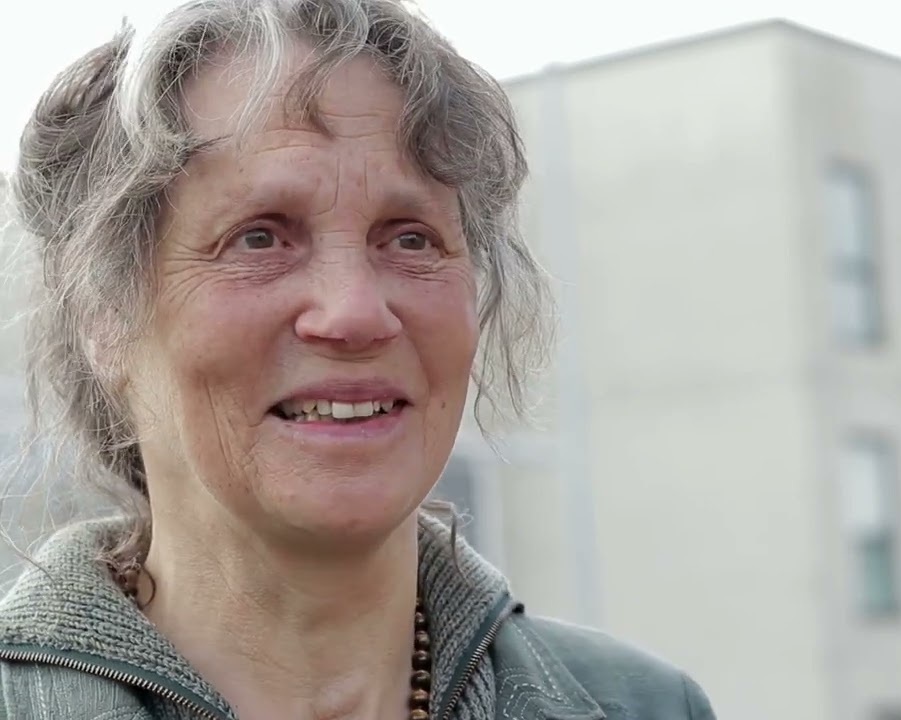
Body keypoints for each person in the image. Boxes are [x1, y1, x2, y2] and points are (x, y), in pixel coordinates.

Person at [0, 1, 715, 718]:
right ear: (104, 318)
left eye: (409, 238)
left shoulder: (647, 706)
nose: (356, 312)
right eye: (259, 237)